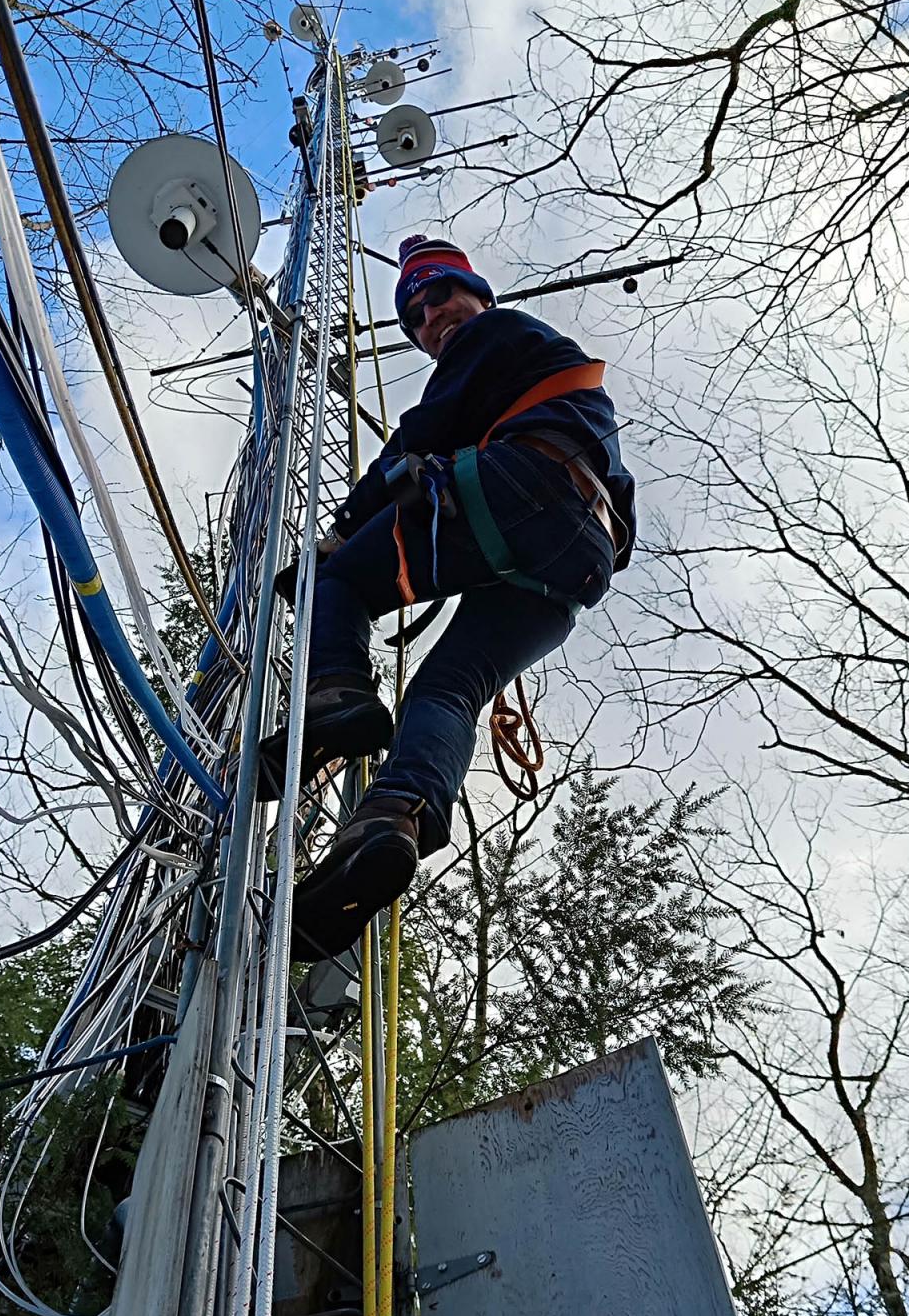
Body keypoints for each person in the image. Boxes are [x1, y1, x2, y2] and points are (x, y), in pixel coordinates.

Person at [260, 234, 637, 961]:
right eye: (417, 317)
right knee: (450, 689)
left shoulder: (500, 332)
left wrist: (341, 532)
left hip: (523, 488)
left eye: (442, 297)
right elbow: (621, 523)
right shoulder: (561, 390)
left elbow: (415, 440)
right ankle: (395, 816)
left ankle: (335, 695)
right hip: (577, 564)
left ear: (479, 297)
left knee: (336, 581)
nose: (433, 318)